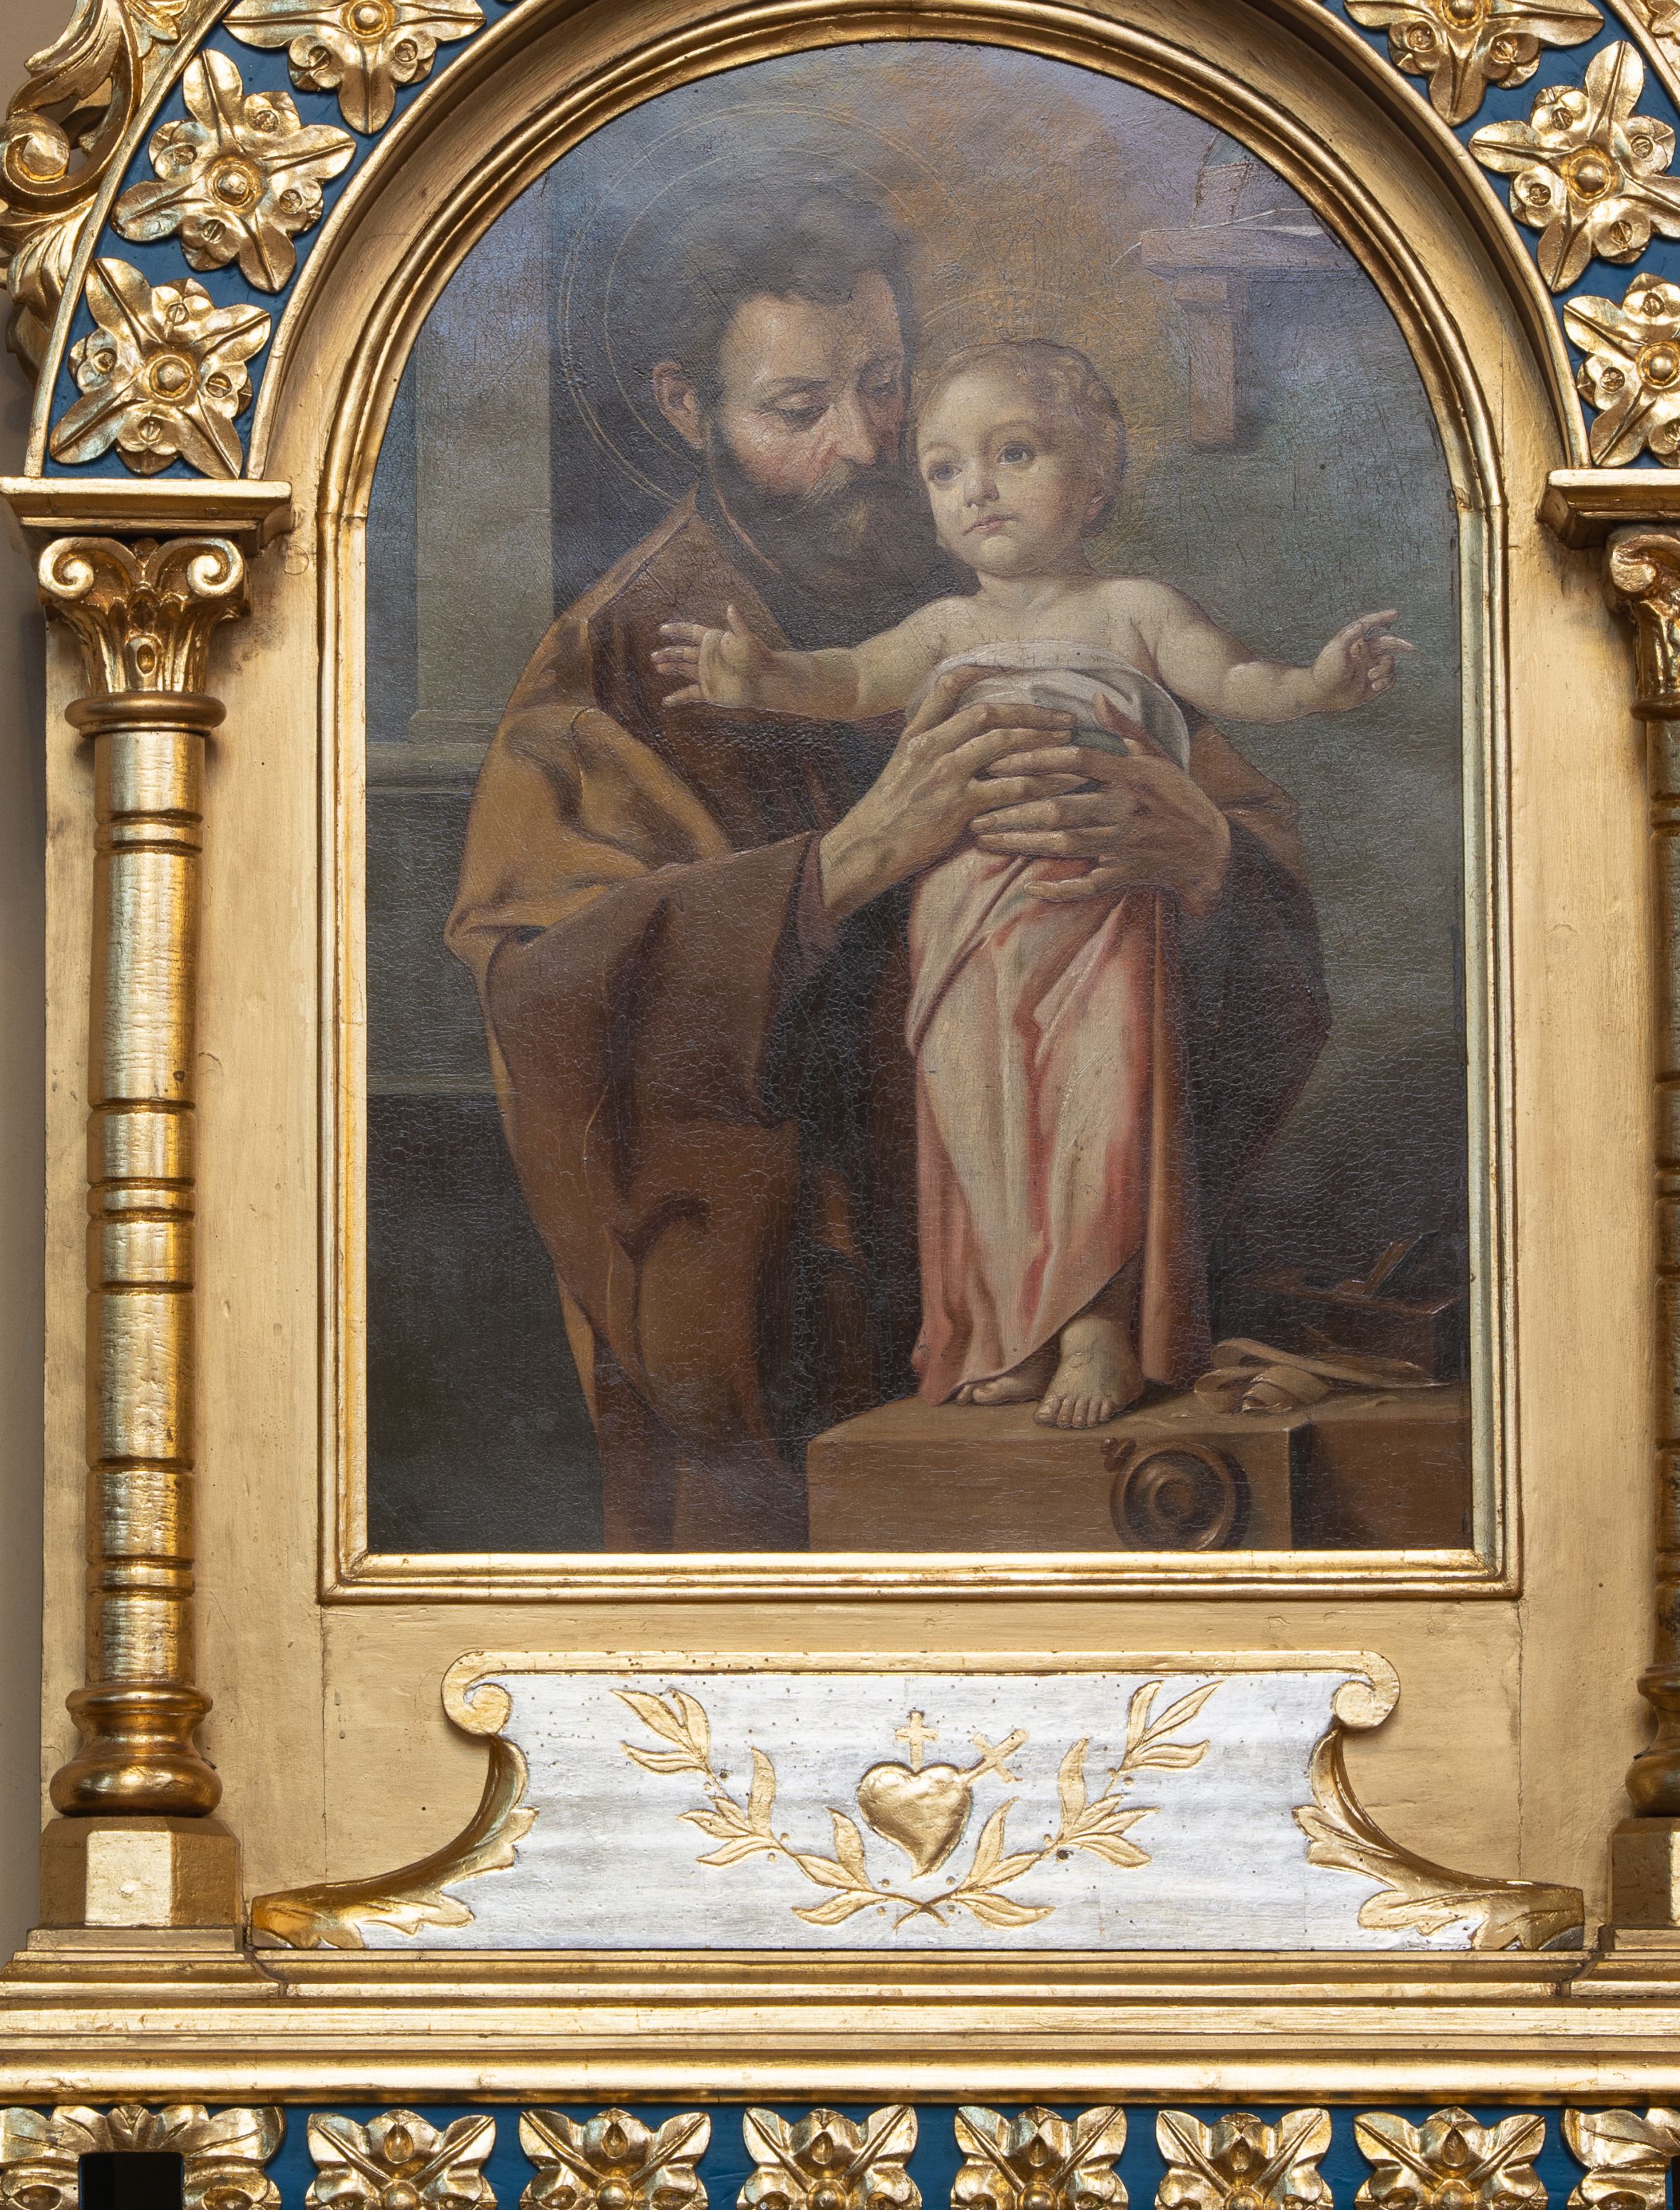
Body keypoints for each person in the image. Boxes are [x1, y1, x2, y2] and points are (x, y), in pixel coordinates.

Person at [447, 183, 1331, 1551]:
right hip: (797, 1313)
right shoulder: (618, 659)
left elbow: (1245, 836)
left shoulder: (1020, 575)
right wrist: (850, 861)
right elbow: (542, 994)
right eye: (799, 410)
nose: (866, 445)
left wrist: (1206, 854)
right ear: (687, 408)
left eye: (882, 386)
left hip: (1073, 1186)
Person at [655, 339, 1403, 1428]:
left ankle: (1095, 1325)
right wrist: (760, 677)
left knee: (1101, 1099)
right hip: (964, 917)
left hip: (1100, 905)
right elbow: (850, 679)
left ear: (1095, 482)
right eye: (946, 469)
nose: (979, 489)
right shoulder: (945, 629)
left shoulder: (1133, 608)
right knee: (975, 1110)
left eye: (1014, 454)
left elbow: (1241, 680)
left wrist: (1320, 686)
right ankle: (1012, 1329)